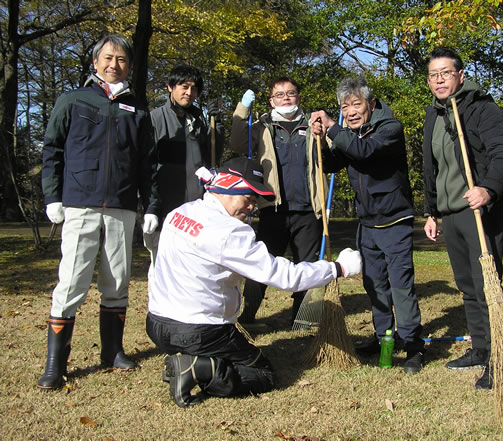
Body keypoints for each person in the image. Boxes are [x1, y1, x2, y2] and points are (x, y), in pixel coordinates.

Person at [146, 157, 361, 407]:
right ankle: (197, 367)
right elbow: (285, 276)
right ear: (228, 187)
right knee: (262, 374)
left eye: (255, 202)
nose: (252, 207)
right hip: (198, 330)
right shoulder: (229, 231)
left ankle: (187, 358)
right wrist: (338, 268)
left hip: (157, 324)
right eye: (248, 198)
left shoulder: (180, 212)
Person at [37, 34, 158, 390]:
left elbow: (148, 165)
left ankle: (112, 351)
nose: (114, 65)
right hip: (80, 203)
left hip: (121, 207)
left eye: (121, 60)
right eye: (108, 58)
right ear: (95, 63)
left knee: (117, 279)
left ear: (130, 66)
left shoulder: (138, 110)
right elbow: (52, 149)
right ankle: (55, 365)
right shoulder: (73, 100)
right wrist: (52, 197)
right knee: (72, 281)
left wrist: (149, 206)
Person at [420, 47, 503, 390]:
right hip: (450, 214)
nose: (439, 80)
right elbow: (432, 168)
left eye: (445, 73)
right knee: (467, 286)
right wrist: (432, 211)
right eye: (433, 75)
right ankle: (480, 348)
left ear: (460, 76)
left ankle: (501, 356)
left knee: (486, 285)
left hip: (479, 209)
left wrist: (489, 189)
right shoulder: (433, 115)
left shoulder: (482, 108)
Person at [309, 77, 424, 373]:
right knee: (375, 286)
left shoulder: (390, 129)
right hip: (368, 223)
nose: (350, 111)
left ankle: (413, 345)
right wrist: (321, 139)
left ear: (371, 105)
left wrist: (333, 127)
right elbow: (332, 164)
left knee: (401, 286)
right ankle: (383, 336)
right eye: (345, 106)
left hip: (395, 220)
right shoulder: (349, 133)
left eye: (356, 104)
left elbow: (364, 152)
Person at [229, 77, 325, 325]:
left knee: (308, 265)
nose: (286, 98)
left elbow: (332, 153)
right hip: (273, 208)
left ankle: (302, 319)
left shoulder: (313, 125)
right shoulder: (262, 126)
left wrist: (323, 134)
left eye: (290, 93)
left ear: (298, 97)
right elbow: (238, 143)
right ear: (271, 100)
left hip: (308, 210)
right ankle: (247, 315)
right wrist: (243, 109)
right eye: (279, 95)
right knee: (260, 265)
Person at [146, 64, 220, 269]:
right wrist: (151, 205)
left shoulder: (199, 120)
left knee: (193, 264)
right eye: (184, 86)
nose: (189, 92)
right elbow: (147, 165)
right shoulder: (156, 118)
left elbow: (213, 156)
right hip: (166, 206)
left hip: (195, 205)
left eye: (194, 88)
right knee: (163, 264)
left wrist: (218, 124)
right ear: (170, 87)